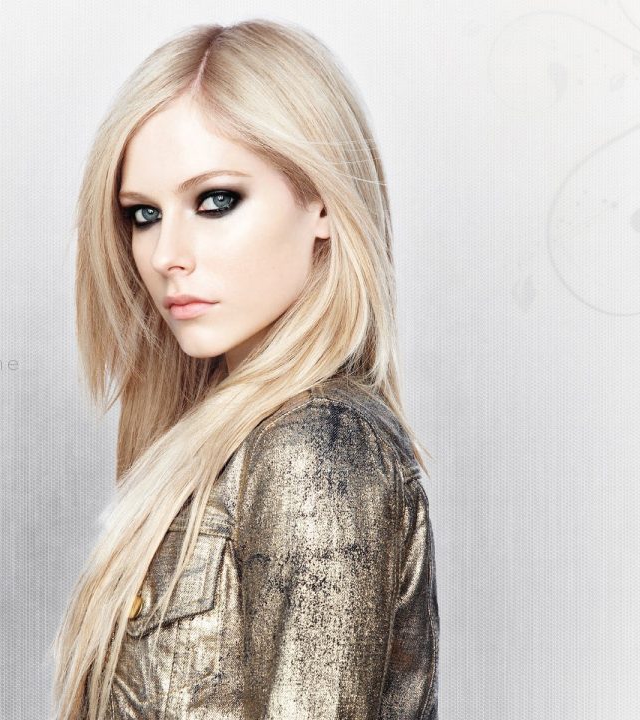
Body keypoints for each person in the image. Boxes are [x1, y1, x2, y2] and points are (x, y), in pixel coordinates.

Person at [52, 18, 439, 720]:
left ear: (321, 203)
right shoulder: (227, 446)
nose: (167, 254)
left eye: (216, 201)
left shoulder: (315, 448)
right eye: (143, 215)